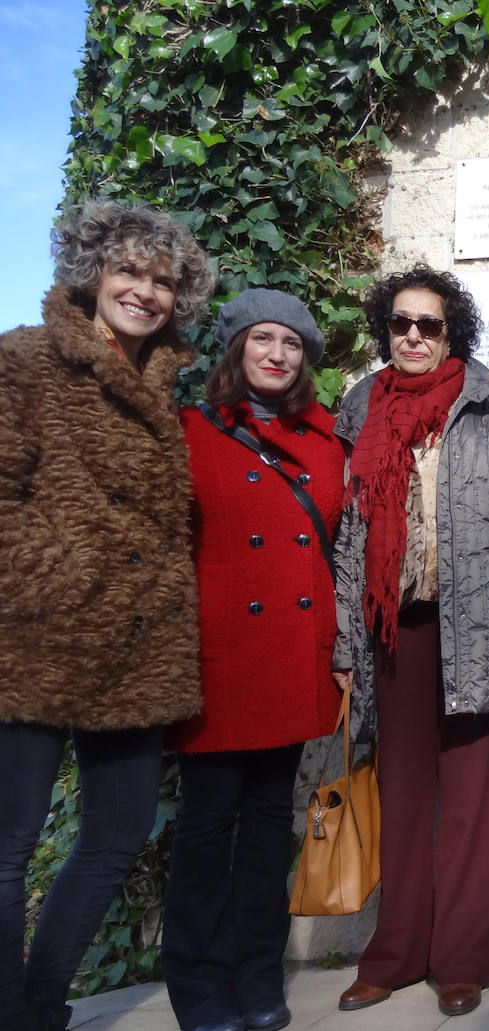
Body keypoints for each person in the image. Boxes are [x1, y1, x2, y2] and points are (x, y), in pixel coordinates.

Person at [0, 201, 214, 1031]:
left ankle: (40, 1001)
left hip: (136, 642)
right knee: (9, 848)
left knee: (115, 834)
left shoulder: (161, 381)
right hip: (39, 636)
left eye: (162, 280)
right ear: (92, 273)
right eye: (130, 271)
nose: (145, 292)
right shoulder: (24, 360)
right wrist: (66, 580)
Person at [331, 264, 489, 1019]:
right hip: (397, 630)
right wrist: (344, 636)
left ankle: (462, 960)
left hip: (482, 625)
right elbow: (346, 531)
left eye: (430, 324)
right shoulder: (358, 410)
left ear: (453, 333)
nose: (413, 335)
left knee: (477, 806)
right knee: (404, 799)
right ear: (385, 329)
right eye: (400, 323)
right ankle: (393, 955)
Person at [161, 290, 344, 1031]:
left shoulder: (327, 441)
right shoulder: (189, 432)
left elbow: (336, 555)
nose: (276, 352)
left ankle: (258, 974)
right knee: (206, 826)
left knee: (271, 822)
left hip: (294, 657)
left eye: (292, 343)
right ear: (235, 349)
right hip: (218, 662)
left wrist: (339, 652)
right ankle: (199, 986)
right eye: (262, 338)